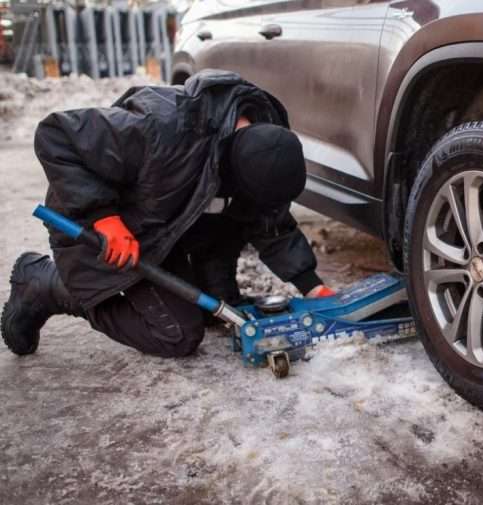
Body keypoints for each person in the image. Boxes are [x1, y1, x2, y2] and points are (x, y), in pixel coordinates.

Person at [1, 69, 334, 358]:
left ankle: (209, 289)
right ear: (232, 165)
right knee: (177, 334)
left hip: (163, 225)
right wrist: (103, 217)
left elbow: (269, 220)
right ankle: (45, 283)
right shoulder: (161, 128)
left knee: (220, 309)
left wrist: (311, 286)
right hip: (95, 225)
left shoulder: (262, 140)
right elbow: (56, 135)